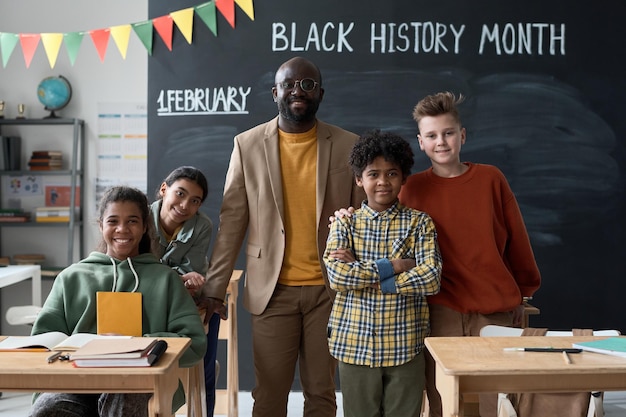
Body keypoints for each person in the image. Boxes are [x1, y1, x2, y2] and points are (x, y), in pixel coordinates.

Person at [331, 92, 541, 417]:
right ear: (421, 141)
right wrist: (345, 219)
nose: (441, 142)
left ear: (462, 135)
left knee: (494, 403)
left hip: (493, 309)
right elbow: (381, 221)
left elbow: (517, 240)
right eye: (431, 135)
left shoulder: (491, 179)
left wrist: (524, 293)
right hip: (439, 312)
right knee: (444, 403)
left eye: (448, 133)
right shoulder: (410, 189)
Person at [198, 56, 365, 417]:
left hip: (330, 291)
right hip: (271, 291)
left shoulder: (349, 144)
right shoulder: (247, 145)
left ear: (320, 92)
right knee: (269, 396)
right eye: (289, 84)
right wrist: (214, 289)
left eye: (307, 84)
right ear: (275, 92)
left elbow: (365, 220)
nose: (297, 91)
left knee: (322, 393)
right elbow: (232, 223)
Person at [29, 186, 207, 417]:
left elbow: (194, 343)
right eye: (113, 221)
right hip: (75, 380)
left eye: (132, 221)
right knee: (49, 409)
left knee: (126, 397)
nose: (122, 229)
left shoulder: (166, 279)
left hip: (140, 381)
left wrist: (135, 344)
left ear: (144, 227)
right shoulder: (71, 277)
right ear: (101, 225)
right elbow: (43, 339)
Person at [323, 130, 442, 417]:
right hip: (355, 345)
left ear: (403, 178)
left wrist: (369, 278)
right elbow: (339, 277)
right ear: (359, 179)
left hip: (405, 344)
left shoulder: (419, 223)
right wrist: (396, 265)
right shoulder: (345, 223)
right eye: (373, 174)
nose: (382, 182)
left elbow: (431, 278)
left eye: (392, 174)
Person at [150, 166, 224, 416]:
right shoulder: (139, 217)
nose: (184, 205)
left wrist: (174, 275)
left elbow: (193, 272)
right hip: (145, 303)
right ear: (163, 190)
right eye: (180, 194)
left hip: (183, 303)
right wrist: (177, 275)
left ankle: (205, 378)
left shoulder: (202, 225)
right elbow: (136, 269)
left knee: (205, 367)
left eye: (195, 201)